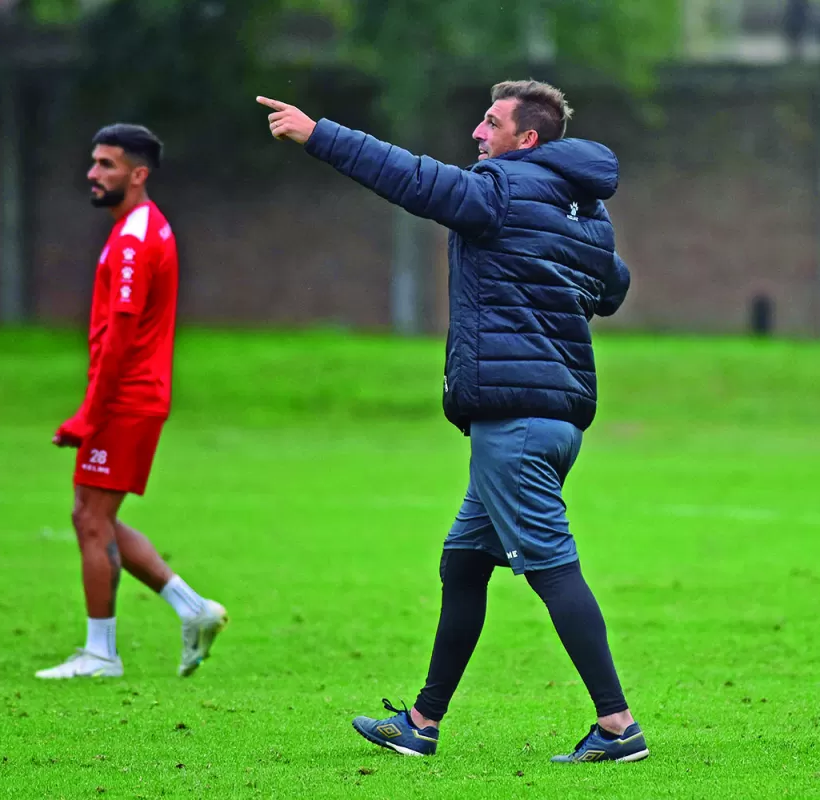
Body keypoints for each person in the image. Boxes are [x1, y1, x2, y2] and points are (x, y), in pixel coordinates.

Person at [257, 81, 645, 763]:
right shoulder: (583, 212)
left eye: (490, 123)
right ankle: (421, 722)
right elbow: (614, 287)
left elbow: (411, 178)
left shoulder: (496, 190)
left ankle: (618, 726)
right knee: (463, 563)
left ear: (527, 140)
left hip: (512, 425)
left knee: (553, 570)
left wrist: (319, 134)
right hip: (555, 422)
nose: (475, 133)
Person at [36, 123, 228, 680]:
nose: (93, 174)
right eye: (93, 163)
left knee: (90, 519)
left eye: (107, 165)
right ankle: (193, 610)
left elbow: (120, 335)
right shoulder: (142, 227)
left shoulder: (134, 239)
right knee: (96, 517)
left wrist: (89, 414)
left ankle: (102, 654)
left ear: (137, 174)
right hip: (129, 396)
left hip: (126, 399)